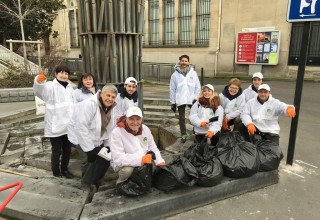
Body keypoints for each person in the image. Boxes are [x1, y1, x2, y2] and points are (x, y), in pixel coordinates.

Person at [68, 84, 118, 191]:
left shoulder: (111, 107)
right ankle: (85, 185)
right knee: (88, 160)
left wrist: (108, 145)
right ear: (101, 93)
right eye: (108, 95)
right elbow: (81, 128)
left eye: (113, 97)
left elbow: (109, 128)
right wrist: (89, 149)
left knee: (105, 158)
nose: (110, 99)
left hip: (96, 138)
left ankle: (95, 182)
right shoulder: (89, 104)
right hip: (80, 137)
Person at [33, 65, 75, 178]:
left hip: (68, 126)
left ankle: (65, 170)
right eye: (61, 72)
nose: (64, 75)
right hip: (55, 125)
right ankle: (56, 173)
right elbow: (39, 91)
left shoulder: (70, 87)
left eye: (66, 73)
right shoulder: (50, 86)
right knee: (56, 151)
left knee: (67, 150)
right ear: (56, 74)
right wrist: (38, 81)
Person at [110, 106, 165, 185]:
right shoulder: (117, 132)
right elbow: (118, 158)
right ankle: (120, 183)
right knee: (127, 170)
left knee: (157, 167)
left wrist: (159, 161)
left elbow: (152, 146)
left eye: (138, 119)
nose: (135, 123)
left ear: (141, 119)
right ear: (126, 119)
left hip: (142, 157)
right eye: (131, 119)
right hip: (122, 163)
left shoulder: (145, 129)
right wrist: (141, 160)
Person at [170, 54, 201, 143]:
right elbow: (172, 89)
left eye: (185, 61)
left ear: (188, 62)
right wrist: (173, 102)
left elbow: (197, 86)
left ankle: (197, 131)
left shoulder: (193, 73)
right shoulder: (175, 75)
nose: (184, 62)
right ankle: (183, 134)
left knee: (195, 115)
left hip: (192, 98)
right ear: (179, 62)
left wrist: (196, 97)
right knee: (182, 118)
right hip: (180, 98)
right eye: (182, 61)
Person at [73, 73, 99, 178]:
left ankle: (92, 179)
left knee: (94, 158)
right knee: (86, 159)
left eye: (90, 79)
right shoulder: (77, 93)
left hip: (95, 131)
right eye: (85, 79)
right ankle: (85, 180)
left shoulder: (99, 92)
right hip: (81, 129)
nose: (88, 81)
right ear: (81, 81)